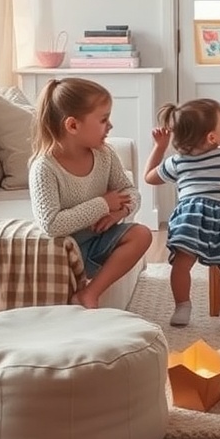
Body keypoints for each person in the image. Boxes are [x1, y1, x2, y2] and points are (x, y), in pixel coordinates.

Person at [29, 77, 152, 307]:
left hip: (99, 241)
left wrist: (120, 211)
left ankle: (89, 293)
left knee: (142, 234)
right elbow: (52, 224)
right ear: (73, 125)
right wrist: (103, 204)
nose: (111, 126)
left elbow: (130, 191)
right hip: (65, 252)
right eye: (104, 119)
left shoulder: (105, 154)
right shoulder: (44, 168)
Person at [144, 97, 220, 330]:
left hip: (191, 216)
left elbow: (149, 177)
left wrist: (159, 147)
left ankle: (182, 306)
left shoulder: (177, 161)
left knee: (181, 264)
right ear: (212, 137)